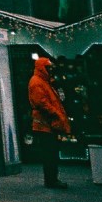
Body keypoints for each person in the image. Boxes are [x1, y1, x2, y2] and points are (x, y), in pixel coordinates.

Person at [28, 56, 72, 189]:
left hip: (46, 124)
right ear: (42, 68)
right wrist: (56, 114)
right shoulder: (38, 82)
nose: (51, 70)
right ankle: (51, 180)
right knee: (50, 153)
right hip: (45, 124)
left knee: (51, 153)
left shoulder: (43, 81)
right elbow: (42, 103)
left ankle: (52, 179)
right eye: (48, 68)